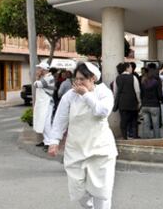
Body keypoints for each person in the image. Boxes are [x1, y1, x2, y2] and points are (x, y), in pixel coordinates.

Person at [47, 62, 117, 209]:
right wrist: (54, 141)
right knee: (78, 190)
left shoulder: (104, 92)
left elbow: (102, 111)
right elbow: (60, 119)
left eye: (82, 79)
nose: (78, 83)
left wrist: (86, 95)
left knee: (101, 191)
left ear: (92, 78)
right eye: (76, 79)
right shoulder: (70, 96)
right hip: (76, 149)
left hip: (100, 150)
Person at [113, 62, 141, 139]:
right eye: (131, 67)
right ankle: (135, 136)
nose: (132, 69)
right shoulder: (133, 77)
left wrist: (116, 101)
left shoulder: (117, 78)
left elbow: (115, 91)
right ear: (127, 68)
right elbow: (137, 91)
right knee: (134, 120)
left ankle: (124, 137)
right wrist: (139, 101)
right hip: (132, 102)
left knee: (123, 121)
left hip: (122, 103)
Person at [33, 62, 55, 150]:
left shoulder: (49, 78)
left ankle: (49, 143)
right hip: (44, 104)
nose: (37, 70)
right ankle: (46, 141)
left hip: (47, 104)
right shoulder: (46, 77)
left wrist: (37, 77)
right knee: (44, 123)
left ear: (43, 70)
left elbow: (36, 84)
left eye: (39, 69)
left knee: (46, 124)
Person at [140, 67, 163, 138]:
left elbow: (141, 94)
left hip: (145, 105)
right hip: (154, 105)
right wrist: (161, 100)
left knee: (146, 124)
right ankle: (156, 139)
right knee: (155, 124)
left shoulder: (143, 82)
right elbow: (159, 94)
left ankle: (146, 139)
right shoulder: (156, 82)